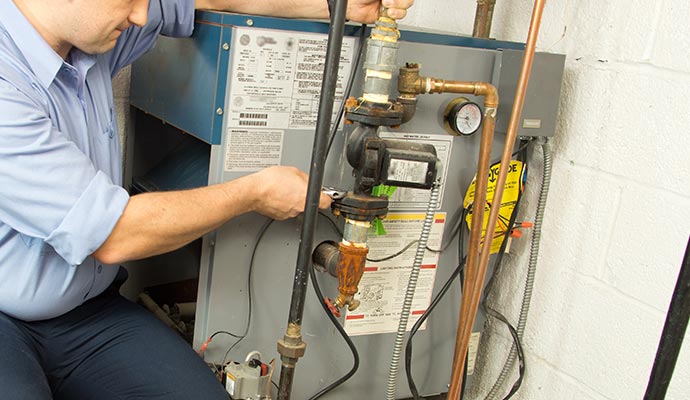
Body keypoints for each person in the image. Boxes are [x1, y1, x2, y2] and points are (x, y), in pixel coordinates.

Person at [0, 0, 414, 398]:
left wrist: (336, 6)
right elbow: (115, 234)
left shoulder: (83, 35)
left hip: (88, 311)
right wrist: (254, 192)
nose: (143, 13)